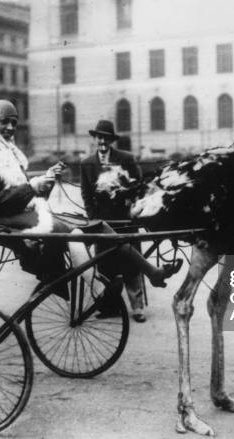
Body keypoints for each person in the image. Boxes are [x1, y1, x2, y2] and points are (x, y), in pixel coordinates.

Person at [0, 100, 180, 303]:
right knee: (67, 230)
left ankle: (151, 272)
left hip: (21, 212)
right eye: (5, 121)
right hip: (0, 217)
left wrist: (44, 182)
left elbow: (20, 193)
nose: (11, 127)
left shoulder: (5, 150)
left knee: (99, 226)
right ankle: (97, 290)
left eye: (14, 122)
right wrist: (33, 187)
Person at [80, 120, 148, 322]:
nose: (102, 141)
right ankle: (111, 306)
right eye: (99, 137)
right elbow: (85, 194)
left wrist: (130, 205)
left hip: (125, 219)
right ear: (95, 139)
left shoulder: (126, 158)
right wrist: (93, 218)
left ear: (111, 140)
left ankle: (137, 308)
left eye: (106, 137)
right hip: (102, 221)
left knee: (131, 262)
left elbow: (139, 186)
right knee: (105, 265)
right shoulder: (87, 163)